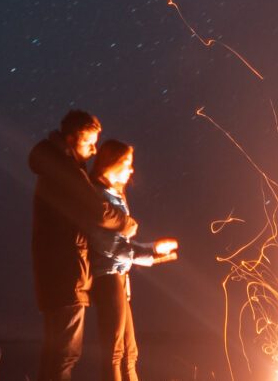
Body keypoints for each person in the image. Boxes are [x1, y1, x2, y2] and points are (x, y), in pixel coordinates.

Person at [29, 109, 135, 381]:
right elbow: (98, 211)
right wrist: (126, 224)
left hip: (59, 273)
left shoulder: (59, 166)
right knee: (65, 354)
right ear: (73, 137)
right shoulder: (64, 169)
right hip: (65, 275)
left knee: (57, 354)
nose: (93, 149)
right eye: (89, 142)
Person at [82, 140, 176, 381]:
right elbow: (108, 245)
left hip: (119, 278)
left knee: (130, 352)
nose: (131, 170)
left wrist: (154, 249)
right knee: (115, 353)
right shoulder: (98, 196)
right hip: (108, 278)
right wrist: (148, 254)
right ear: (110, 163)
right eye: (126, 163)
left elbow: (120, 245)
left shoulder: (114, 194)